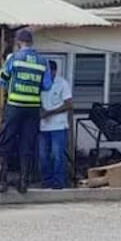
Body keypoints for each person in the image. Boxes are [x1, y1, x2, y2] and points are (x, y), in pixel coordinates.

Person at [0, 28, 52, 193]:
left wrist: (13, 83)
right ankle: (24, 182)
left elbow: (0, 80)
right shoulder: (43, 61)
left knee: (5, 142)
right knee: (27, 145)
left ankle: (2, 182)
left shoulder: (14, 58)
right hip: (33, 109)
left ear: (18, 43)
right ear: (32, 42)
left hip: (14, 106)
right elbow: (47, 86)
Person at [39, 59, 73, 188]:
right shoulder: (40, 84)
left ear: (54, 71)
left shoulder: (62, 83)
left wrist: (50, 113)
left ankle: (58, 182)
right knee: (43, 155)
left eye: (49, 72)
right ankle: (46, 181)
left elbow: (68, 104)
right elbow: (38, 101)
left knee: (57, 154)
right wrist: (41, 111)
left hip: (58, 125)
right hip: (43, 126)